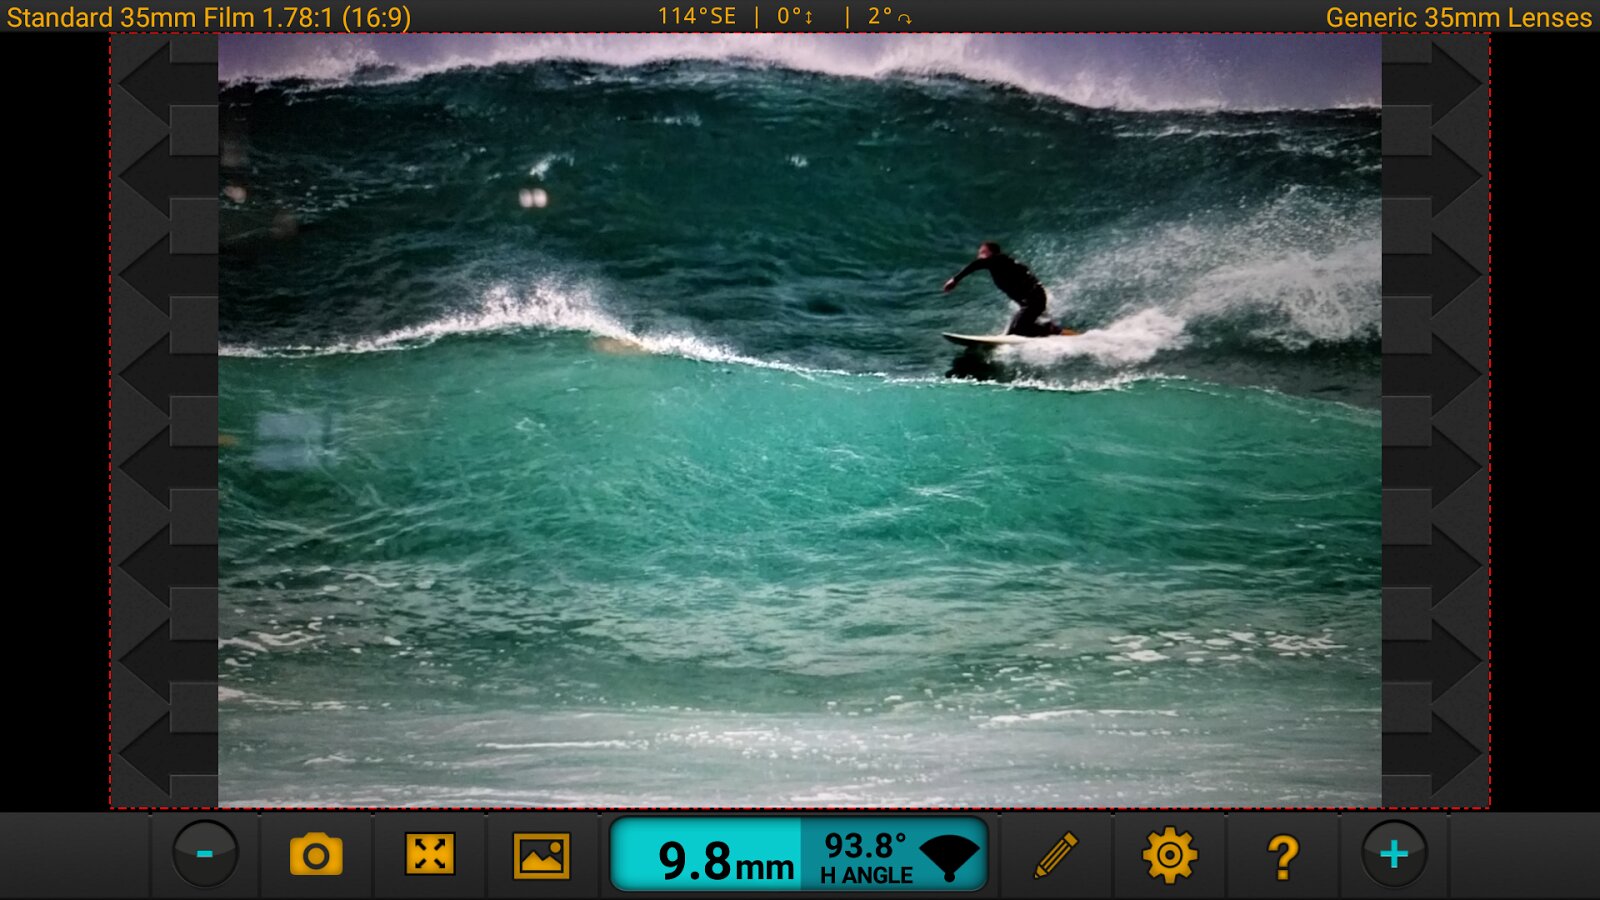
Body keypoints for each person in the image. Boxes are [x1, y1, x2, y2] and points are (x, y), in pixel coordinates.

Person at [943, 242, 1074, 336]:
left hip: (1034, 300)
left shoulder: (1000, 260)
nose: (979, 255)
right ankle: (1049, 329)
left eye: (982, 252)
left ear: (992, 252)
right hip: (1031, 301)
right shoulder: (999, 265)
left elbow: (977, 264)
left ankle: (1054, 331)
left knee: (1017, 330)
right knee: (1015, 330)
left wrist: (955, 280)